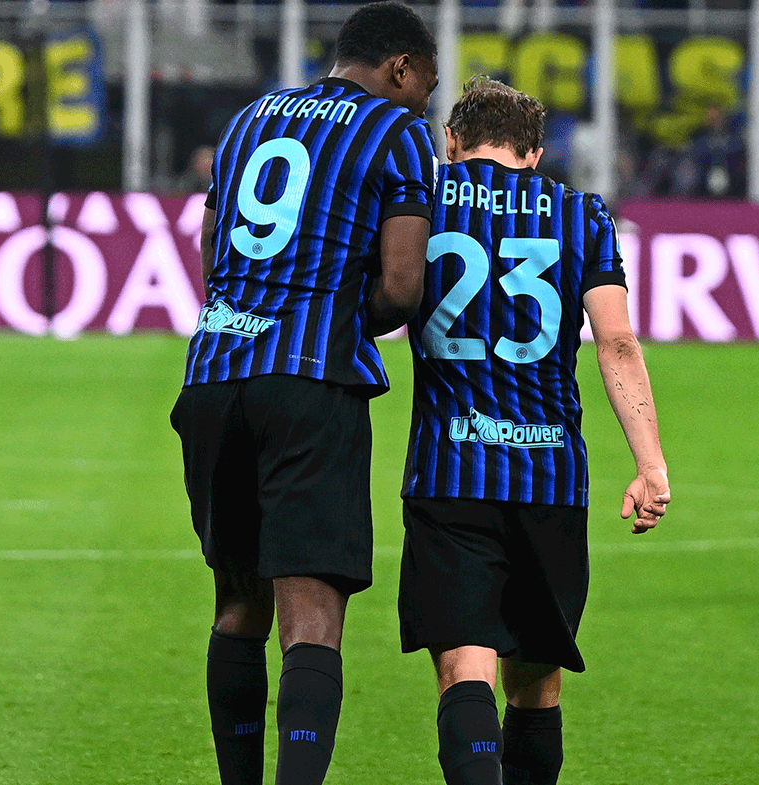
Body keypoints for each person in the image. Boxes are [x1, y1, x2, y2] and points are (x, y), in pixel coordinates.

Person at [169, 4, 439, 784]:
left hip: (215, 374)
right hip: (309, 382)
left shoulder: (250, 118)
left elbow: (210, 241)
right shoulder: (395, 131)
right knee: (311, 616)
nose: (422, 102)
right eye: (422, 86)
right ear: (399, 67)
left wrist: (238, 313)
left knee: (237, 602)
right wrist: (344, 317)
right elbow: (403, 284)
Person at [399, 77, 671, 785]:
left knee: (465, 670)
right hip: (549, 479)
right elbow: (616, 342)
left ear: (450, 141)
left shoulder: (425, 199)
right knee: (536, 686)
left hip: (450, 470)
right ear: (536, 153)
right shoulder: (581, 214)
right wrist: (650, 464)